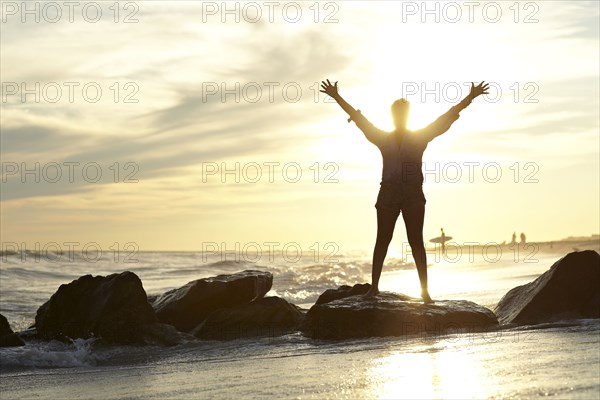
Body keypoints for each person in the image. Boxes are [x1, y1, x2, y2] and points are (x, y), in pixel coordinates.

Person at [320, 79, 489, 303]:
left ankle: (425, 292)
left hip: (412, 194)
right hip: (388, 194)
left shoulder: (420, 136)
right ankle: (374, 289)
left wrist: (470, 98)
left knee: (416, 241)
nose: (400, 118)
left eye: (403, 114)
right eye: (396, 115)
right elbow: (359, 119)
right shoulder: (382, 138)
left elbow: (445, 118)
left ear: (407, 116)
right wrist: (336, 96)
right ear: (392, 116)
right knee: (382, 240)